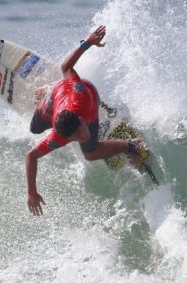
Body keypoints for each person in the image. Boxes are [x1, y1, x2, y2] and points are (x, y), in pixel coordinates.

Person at [25, 25, 137, 216]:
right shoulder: (58, 137)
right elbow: (31, 156)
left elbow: (66, 67)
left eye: (80, 131)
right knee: (34, 129)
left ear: (80, 120)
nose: (82, 137)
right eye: (75, 138)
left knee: (90, 153)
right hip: (55, 101)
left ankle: (131, 146)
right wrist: (32, 192)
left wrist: (87, 43)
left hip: (86, 96)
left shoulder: (80, 95)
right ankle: (46, 92)